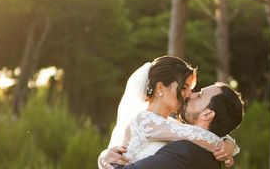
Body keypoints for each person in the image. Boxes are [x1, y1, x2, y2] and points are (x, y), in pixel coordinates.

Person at [98, 56, 240, 168]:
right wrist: (225, 146)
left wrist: (228, 142)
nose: (190, 94)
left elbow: (193, 133)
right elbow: (195, 134)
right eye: (184, 87)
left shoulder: (171, 125)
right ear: (160, 89)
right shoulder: (144, 120)